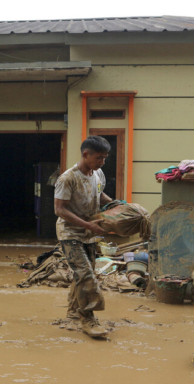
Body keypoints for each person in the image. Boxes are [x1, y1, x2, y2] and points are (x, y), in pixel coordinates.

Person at [53, 136, 113, 338]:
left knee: (83, 274)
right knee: (85, 273)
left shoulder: (98, 173)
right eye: (99, 158)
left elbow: (99, 194)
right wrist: (87, 224)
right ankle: (88, 319)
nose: (102, 162)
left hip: (89, 232)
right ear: (85, 154)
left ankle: (72, 312)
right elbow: (59, 210)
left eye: (105, 158)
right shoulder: (67, 178)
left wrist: (115, 206)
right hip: (70, 233)